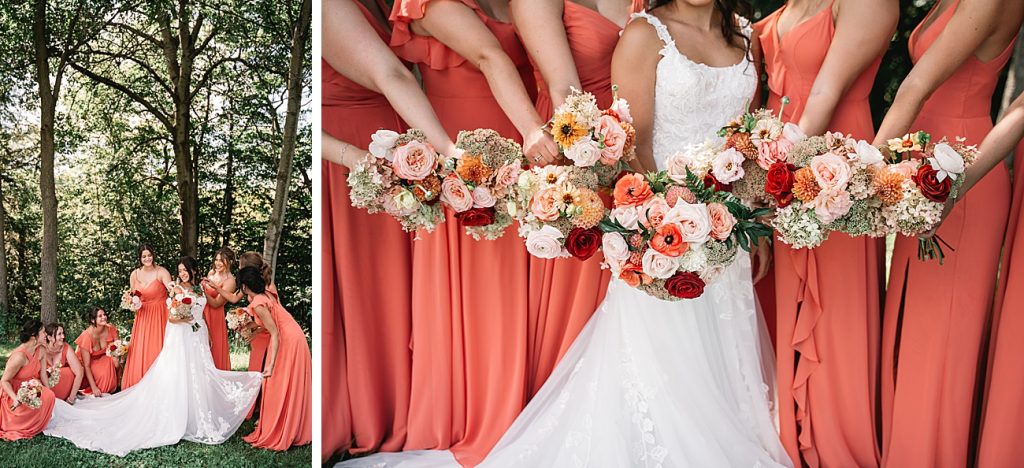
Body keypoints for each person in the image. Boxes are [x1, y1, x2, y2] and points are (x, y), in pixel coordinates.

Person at [44, 257, 262, 456]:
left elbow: (208, 308)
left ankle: (198, 413)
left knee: (199, 371)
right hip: (182, 336)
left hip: (199, 336)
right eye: (180, 270)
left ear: (194, 271)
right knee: (178, 372)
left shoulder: (200, 288)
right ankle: (177, 415)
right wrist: (186, 320)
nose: (183, 273)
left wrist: (206, 330)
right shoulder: (176, 289)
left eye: (185, 270)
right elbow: (173, 319)